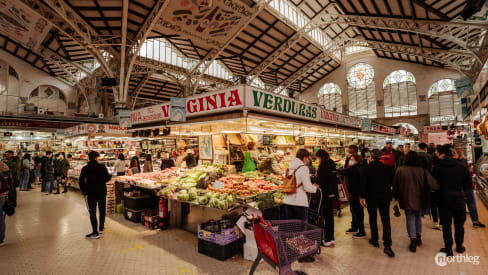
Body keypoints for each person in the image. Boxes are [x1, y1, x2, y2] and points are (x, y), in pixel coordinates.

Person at [393, 151, 439, 253]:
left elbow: (395, 186)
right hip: (420, 199)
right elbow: (434, 185)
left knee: (410, 218)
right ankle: (418, 236)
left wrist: (395, 197)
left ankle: (412, 241)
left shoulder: (400, 170)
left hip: (406, 198)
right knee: (418, 216)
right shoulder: (422, 170)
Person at [432, 145, 473, 256]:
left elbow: (434, 186)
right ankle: (459, 246)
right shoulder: (462, 167)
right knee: (459, 224)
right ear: (453, 155)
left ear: (444, 155)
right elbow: (469, 186)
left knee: (446, 225)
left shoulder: (437, 168)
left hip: (444, 199)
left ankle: (448, 248)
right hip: (459, 199)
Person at [283, 149, 318, 262]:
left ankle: (291, 252)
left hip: (288, 201)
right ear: (305, 158)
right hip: (299, 202)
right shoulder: (303, 168)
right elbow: (307, 187)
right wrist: (315, 189)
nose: (307, 160)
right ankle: (302, 256)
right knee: (301, 229)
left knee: (291, 229)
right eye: (307, 158)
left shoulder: (289, 167)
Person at [360, 149, 395, 257]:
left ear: (371, 157)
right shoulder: (388, 169)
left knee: (373, 218)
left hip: (371, 197)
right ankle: (387, 245)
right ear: (381, 157)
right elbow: (391, 183)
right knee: (386, 220)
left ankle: (374, 240)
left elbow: (363, 184)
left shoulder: (366, 169)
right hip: (384, 197)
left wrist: (362, 197)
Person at [79, 151, 111, 239]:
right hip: (102, 191)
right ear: (97, 157)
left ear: (89, 158)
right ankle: (101, 227)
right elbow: (107, 178)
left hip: (91, 192)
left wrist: (84, 191)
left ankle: (95, 232)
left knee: (92, 212)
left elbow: (81, 181)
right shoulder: (102, 166)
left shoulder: (85, 168)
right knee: (102, 209)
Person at [453, 148, 485, 228]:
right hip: (467, 187)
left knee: (462, 205)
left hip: (458, 187)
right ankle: (475, 221)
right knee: (471, 204)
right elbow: (469, 173)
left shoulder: (453, 164)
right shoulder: (463, 162)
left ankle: (461, 223)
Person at [339, 153, 365, 239]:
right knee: (355, 212)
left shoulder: (354, 168)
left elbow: (341, 171)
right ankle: (354, 227)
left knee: (357, 213)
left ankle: (361, 232)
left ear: (357, 160)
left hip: (355, 194)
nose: (351, 160)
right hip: (356, 193)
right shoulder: (360, 168)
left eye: (352, 159)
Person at [316, 149, 338, 247]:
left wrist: (316, 182)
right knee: (330, 217)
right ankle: (331, 238)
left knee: (324, 217)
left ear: (320, 157)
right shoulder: (332, 164)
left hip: (325, 195)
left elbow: (321, 180)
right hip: (332, 193)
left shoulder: (323, 165)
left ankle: (326, 239)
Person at [0, 160, 14, 247]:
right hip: (3, 193)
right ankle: (1, 238)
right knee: (0, 216)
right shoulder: (4, 165)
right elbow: (10, 179)